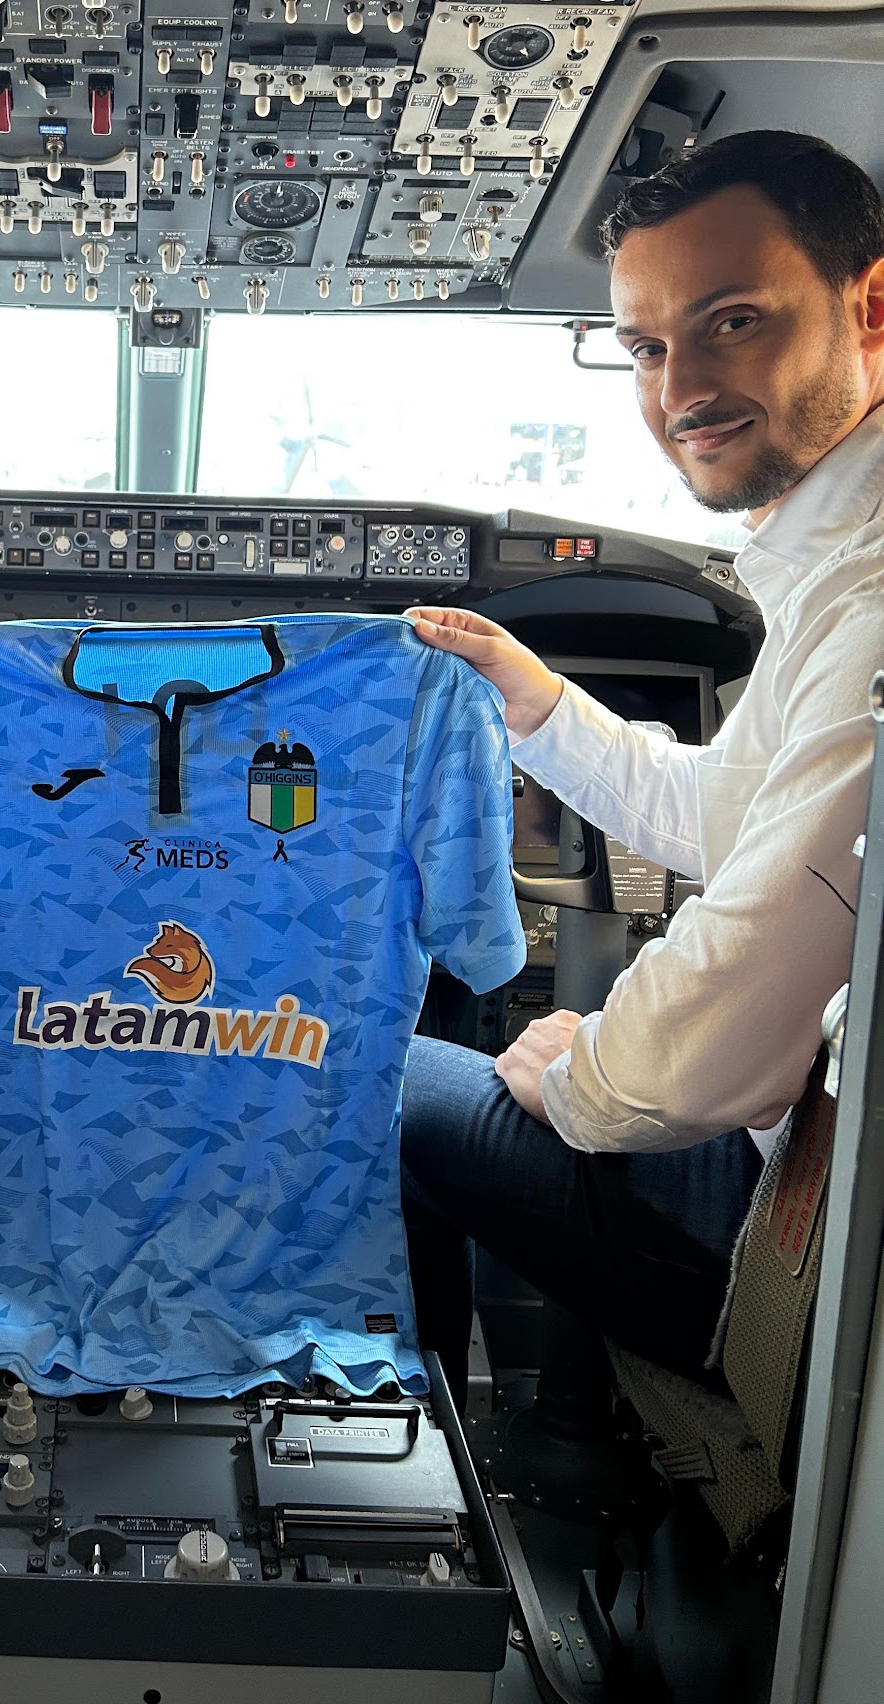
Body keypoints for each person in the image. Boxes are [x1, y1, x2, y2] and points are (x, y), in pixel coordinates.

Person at [401, 130, 884, 1405]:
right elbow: (740, 814)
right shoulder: (836, 565)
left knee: (366, 1085)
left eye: (735, 321)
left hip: (805, 1235)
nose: (684, 389)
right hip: (813, 1154)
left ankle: (414, 1468)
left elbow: (726, 1008)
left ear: (871, 306)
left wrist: (576, 1069)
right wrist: (539, 701)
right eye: (648, 347)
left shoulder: (872, 601)